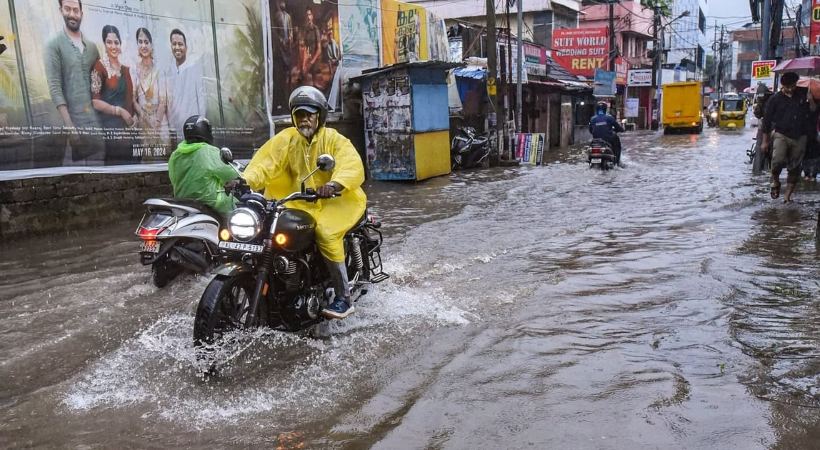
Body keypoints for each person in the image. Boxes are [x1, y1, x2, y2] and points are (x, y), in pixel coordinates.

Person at [243, 86, 366, 319]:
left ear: (319, 115)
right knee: (265, 228)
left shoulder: (334, 139)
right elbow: (265, 163)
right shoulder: (287, 139)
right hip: (299, 200)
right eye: (299, 114)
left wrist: (335, 184)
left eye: (309, 114)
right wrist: (243, 180)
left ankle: (343, 298)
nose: (304, 119)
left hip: (338, 200)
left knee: (326, 233)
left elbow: (351, 164)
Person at [44, 0, 104, 164]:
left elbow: (100, 86)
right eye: (67, 9)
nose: (72, 14)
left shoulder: (92, 48)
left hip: (98, 127)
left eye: (76, 10)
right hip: (75, 130)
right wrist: (70, 128)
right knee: (78, 180)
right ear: (60, 10)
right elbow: (55, 89)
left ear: (81, 13)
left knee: (104, 177)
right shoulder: (53, 45)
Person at [760, 71, 817, 203]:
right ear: (783, 85)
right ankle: (775, 181)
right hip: (781, 134)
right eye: (788, 87)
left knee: (795, 167)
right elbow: (766, 121)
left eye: (793, 86)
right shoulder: (775, 99)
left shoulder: (803, 94)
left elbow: (813, 111)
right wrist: (765, 141)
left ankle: (787, 196)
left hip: (800, 136)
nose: (791, 89)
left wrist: (811, 100)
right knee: (777, 161)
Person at [167, 115, 238, 217]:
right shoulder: (208, 151)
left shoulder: (175, 154)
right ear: (205, 131)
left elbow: (173, 178)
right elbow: (230, 174)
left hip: (183, 203)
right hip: (212, 203)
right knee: (241, 208)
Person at [91, 24, 136, 164]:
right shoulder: (99, 67)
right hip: (112, 130)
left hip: (130, 129)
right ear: (104, 44)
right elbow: (95, 102)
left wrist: (135, 117)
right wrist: (120, 111)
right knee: (117, 167)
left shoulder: (125, 69)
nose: (113, 46)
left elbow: (130, 97)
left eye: (116, 42)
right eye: (109, 42)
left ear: (120, 44)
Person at [133, 27, 169, 155]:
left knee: (165, 157)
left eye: (146, 42)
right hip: (143, 121)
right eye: (140, 41)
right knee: (147, 158)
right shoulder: (134, 70)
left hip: (160, 121)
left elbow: (163, 100)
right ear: (137, 44)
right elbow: (133, 100)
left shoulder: (159, 69)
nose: (143, 45)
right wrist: (145, 119)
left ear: (151, 45)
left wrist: (157, 123)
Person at [166, 29, 205, 143]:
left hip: (193, 129)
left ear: (186, 47)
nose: (177, 47)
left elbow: (201, 100)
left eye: (180, 44)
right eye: (174, 44)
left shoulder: (194, 69)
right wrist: (172, 127)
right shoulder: (169, 71)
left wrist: (200, 125)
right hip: (177, 130)